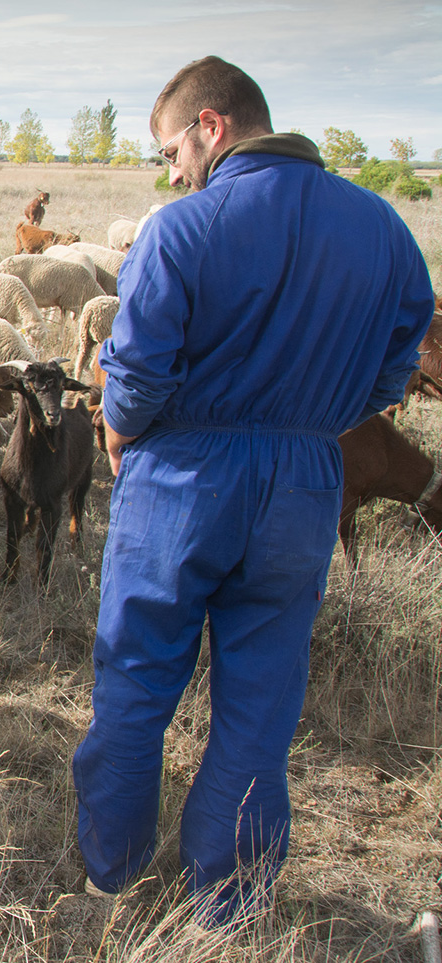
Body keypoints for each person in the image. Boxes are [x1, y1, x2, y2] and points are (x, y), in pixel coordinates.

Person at [74, 56, 432, 924]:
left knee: (136, 677)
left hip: (182, 477)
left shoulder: (183, 229)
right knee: (261, 700)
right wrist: (317, 418)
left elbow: (137, 378)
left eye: (170, 149)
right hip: (306, 479)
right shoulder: (384, 229)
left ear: (212, 125)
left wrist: (121, 435)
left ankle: (111, 876)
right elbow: (398, 362)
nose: (170, 171)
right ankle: (227, 905)